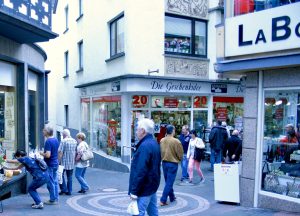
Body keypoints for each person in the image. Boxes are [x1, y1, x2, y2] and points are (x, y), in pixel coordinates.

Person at [128, 118, 161, 216]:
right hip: (152, 185)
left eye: (137, 129)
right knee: (153, 212)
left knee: (138, 213)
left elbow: (140, 171)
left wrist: (134, 191)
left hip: (144, 188)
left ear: (143, 130)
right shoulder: (154, 143)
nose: (136, 132)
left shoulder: (144, 146)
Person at [159, 125, 183, 206]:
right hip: (172, 163)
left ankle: (172, 196)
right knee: (169, 182)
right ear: (172, 131)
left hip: (164, 163)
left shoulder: (162, 140)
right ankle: (163, 199)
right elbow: (180, 154)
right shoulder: (176, 141)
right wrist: (179, 159)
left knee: (168, 181)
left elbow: (160, 151)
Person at [40, 125, 59, 205]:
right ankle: (55, 198)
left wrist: (41, 153)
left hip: (50, 164)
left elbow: (48, 155)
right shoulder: (55, 139)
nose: (42, 132)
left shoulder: (48, 141)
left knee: (50, 182)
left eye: (44, 130)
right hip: (55, 163)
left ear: (47, 132)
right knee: (55, 181)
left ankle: (52, 199)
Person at [58, 129, 77, 195]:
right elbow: (75, 152)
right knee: (69, 177)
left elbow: (60, 152)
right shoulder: (74, 141)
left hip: (63, 162)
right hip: (71, 162)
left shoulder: (63, 141)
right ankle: (69, 191)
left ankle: (63, 189)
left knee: (60, 175)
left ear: (64, 135)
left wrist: (58, 161)